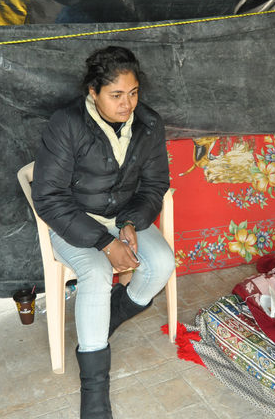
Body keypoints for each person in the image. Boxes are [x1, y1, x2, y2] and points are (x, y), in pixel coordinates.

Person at [31, 46, 175, 418]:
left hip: (122, 217)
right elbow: (48, 197)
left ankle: (110, 316)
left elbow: (155, 184)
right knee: (95, 273)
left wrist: (130, 222)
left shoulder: (149, 123)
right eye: (116, 95)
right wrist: (105, 242)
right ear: (93, 92)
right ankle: (94, 395)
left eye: (133, 93)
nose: (127, 104)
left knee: (162, 263)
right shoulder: (67, 123)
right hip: (74, 220)